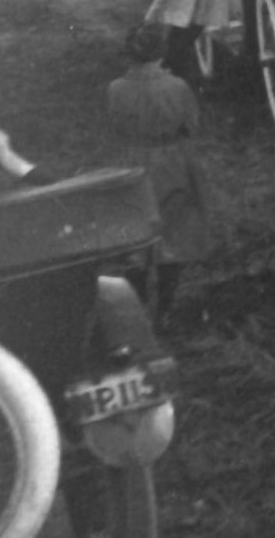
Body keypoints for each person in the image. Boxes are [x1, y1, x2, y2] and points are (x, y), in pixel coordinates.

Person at [108, 22, 218, 324]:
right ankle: (165, 309)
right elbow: (191, 124)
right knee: (174, 233)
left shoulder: (116, 89)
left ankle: (138, 305)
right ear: (160, 55)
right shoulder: (177, 87)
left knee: (137, 234)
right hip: (172, 164)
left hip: (133, 164)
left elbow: (116, 126)